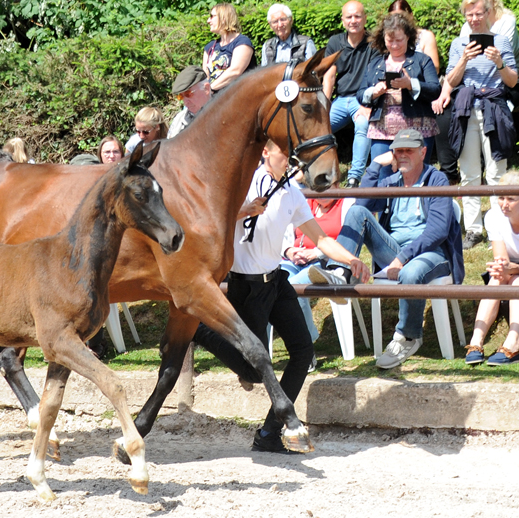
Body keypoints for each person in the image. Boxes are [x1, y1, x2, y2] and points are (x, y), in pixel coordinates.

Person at [192, 140, 369, 453]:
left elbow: (321, 237)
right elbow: (209, 217)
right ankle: (201, 331)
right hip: (246, 286)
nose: (288, 159)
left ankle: (269, 433)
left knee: (302, 352)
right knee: (252, 371)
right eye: (282, 153)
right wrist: (243, 210)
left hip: (276, 281)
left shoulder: (291, 192)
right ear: (265, 152)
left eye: (290, 154)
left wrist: (350, 259)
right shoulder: (244, 183)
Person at [318, 129, 464, 369]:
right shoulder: (390, 181)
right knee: (357, 213)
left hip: (432, 254)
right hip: (394, 251)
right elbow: (360, 205)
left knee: (411, 272)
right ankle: (340, 273)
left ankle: (408, 336)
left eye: (409, 150)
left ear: (423, 152)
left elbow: (438, 231)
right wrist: (375, 164)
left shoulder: (436, 179)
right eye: (399, 150)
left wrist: (403, 258)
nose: (403, 155)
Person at [432, 0, 517, 250]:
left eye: (479, 13)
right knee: (469, 174)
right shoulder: (459, 44)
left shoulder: (501, 41)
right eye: (470, 14)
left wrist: (499, 63)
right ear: (465, 16)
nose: (474, 19)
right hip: (466, 110)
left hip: (494, 110)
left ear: (488, 13)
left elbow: (512, 82)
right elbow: (451, 80)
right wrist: (464, 60)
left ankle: (500, 228)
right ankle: (473, 229)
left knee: (496, 173)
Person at [357, 12, 440, 182]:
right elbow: (360, 94)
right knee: (383, 178)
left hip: (418, 128)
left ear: (408, 37)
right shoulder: (375, 63)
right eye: (390, 40)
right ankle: (385, 209)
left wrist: (410, 84)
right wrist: (374, 92)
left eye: (399, 40)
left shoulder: (422, 60)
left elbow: (435, 89)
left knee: (417, 178)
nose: (394, 45)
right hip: (382, 130)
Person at [280, 182, 356, 343]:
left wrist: (316, 252)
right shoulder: (304, 202)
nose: (322, 192)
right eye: (317, 188)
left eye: (327, 186)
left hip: (324, 262)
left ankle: (306, 343)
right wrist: (289, 251)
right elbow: (282, 232)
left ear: (337, 185)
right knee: (273, 285)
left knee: (292, 288)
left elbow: (347, 242)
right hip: (294, 259)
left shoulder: (347, 204)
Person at [465, 171, 519, 365]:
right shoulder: (494, 215)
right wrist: (505, 269)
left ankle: (513, 342)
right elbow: (501, 259)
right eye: (501, 198)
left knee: (517, 281)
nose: (504, 204)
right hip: (510, 267)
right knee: (496, 278)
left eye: (511, 199)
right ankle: (476, 341)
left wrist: (511, 270)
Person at [323, 1, 378, 188]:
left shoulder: (374, 42)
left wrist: (367, 103)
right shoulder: (335, 42)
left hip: (362, 100)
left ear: (365, 18)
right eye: (349, 17)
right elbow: (330, 76)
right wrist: (324, 103)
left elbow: (375, 76)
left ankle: (354, 177)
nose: (353, 20)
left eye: (357, 16)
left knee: (363, 124)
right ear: (343, 20)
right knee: (317, 127)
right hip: (340, 100)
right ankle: (317, 172)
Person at [203, 3, 255, 93]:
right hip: (212, 98)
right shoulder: (210, 47)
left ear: (223, 18)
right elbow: (205, 76)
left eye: (212, 16)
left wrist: (209, 90)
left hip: (237, 96)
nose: (208, 21)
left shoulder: (242, 42)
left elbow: (235, 72)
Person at [387, 0, 441, 73]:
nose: (397, 21)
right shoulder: (387, 39)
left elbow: (435, 68)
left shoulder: (425, 36)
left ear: (411, 16)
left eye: (401, 17)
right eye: (393, 18)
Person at [168, 66, 212, 138]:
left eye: (188, 94)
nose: (185, 102)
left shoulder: (224, 114)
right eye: (181, 97)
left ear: (206, 89)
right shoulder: (179, 120)